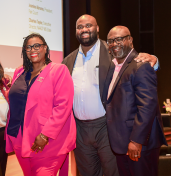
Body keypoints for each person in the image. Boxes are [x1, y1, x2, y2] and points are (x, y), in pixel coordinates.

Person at [62, 14, 159, 176]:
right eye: (80, 27)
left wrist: (154, 59)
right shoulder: (68, 61)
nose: (84, 29)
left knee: (113, 172)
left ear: (97, 28)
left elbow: (134, 64)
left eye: (88, 25)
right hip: (80, 130)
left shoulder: (112, 51)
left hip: (107, 127)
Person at [5, 33, 76, 176]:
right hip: (20, 139)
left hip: (47, 141)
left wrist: (45, 135)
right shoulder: (19, 71)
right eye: (28, 47)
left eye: (37, 46)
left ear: (45, 48)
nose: (33, 50)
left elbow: (63, 106)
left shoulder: (59, 70)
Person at [103, 26, 167, 176]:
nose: (114, 44)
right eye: (111, 41)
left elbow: (147, 106)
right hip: (122, 143)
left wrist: (136, 141)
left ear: (130, 40)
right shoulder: (114, 67)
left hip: (138, 144)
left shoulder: (141, 65)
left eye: (119, 39)